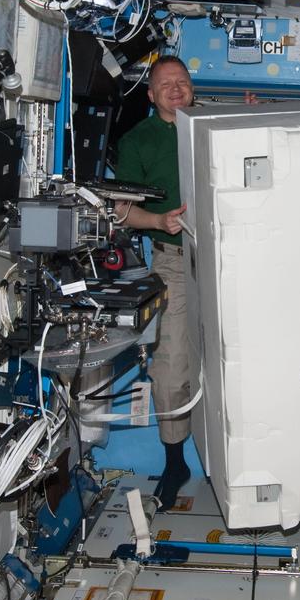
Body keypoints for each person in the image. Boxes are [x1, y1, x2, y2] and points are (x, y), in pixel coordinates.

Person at [114, 56, 195, 511]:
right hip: (173, 262)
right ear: (150, 95)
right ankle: (174, 460)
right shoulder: (137, 140)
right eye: (166, 84)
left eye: (182, 81)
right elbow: (123, 210)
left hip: (229, 262)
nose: (175, 88)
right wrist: (159, 221)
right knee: (170, 365)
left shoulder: (212, 123)